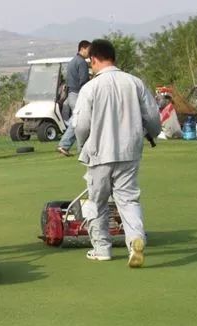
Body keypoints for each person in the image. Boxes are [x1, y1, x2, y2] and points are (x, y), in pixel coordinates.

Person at [72, 39, 161, 267]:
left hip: (99, 153)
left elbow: (81, 124)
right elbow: (153, 118)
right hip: (129, 152)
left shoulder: (90, 87)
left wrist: (82, 144)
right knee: (128, 199)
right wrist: (152, 133)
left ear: (93, 59)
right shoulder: (135, 83)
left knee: (97, 201)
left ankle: (102, 248)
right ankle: (135, 240)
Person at [57, 40, 91, 157]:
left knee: (75, 121)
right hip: (78, 95)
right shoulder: (82, 62)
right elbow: (84, 81)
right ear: (82, 49)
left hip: (71, 94)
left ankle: (68, 146)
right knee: (78, 122)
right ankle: (67, 145)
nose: (90, 52)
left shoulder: (72, 62)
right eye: (89, 50)